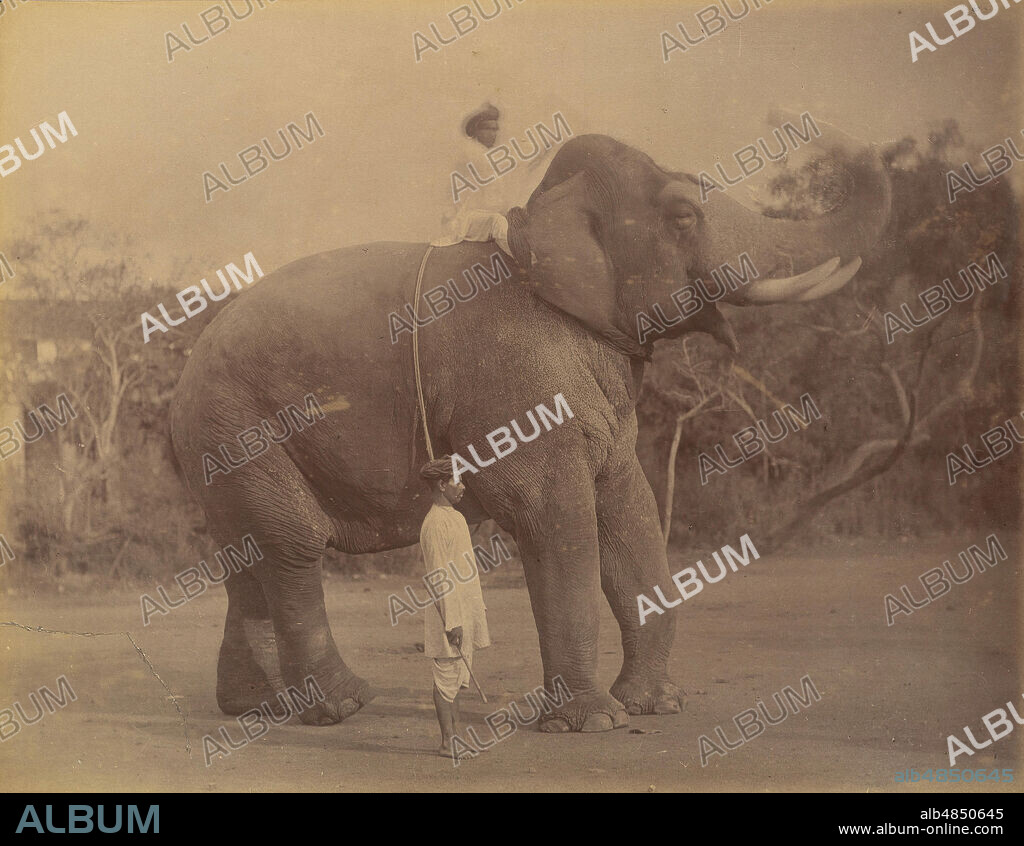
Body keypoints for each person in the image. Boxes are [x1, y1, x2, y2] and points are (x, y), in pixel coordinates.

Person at [418, 456, 491, 758]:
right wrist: (452, 622)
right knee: (446, 676)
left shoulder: (457, 518)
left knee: (459, 676)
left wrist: (472, 612)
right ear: (440, 484)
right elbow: (438, 577)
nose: (462, 487)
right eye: (457, 481)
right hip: (447, 612)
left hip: (465, 608)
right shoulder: (434, 524)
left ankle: (456, 738)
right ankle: (447, 741)